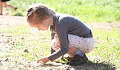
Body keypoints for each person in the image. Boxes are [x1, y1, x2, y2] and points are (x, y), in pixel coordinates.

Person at [26, 3, 95, 66]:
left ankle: (81, 56)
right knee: (54, 43)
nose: (39, 29)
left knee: (58, 39)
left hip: (87, 42)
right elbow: (55, 44)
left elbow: (64, 48)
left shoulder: (60, 23)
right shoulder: (53, 22)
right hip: (80, 42)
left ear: (46, 18)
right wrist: (51, 56)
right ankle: (74, 56)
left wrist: (48, 59)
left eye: (39, 26)